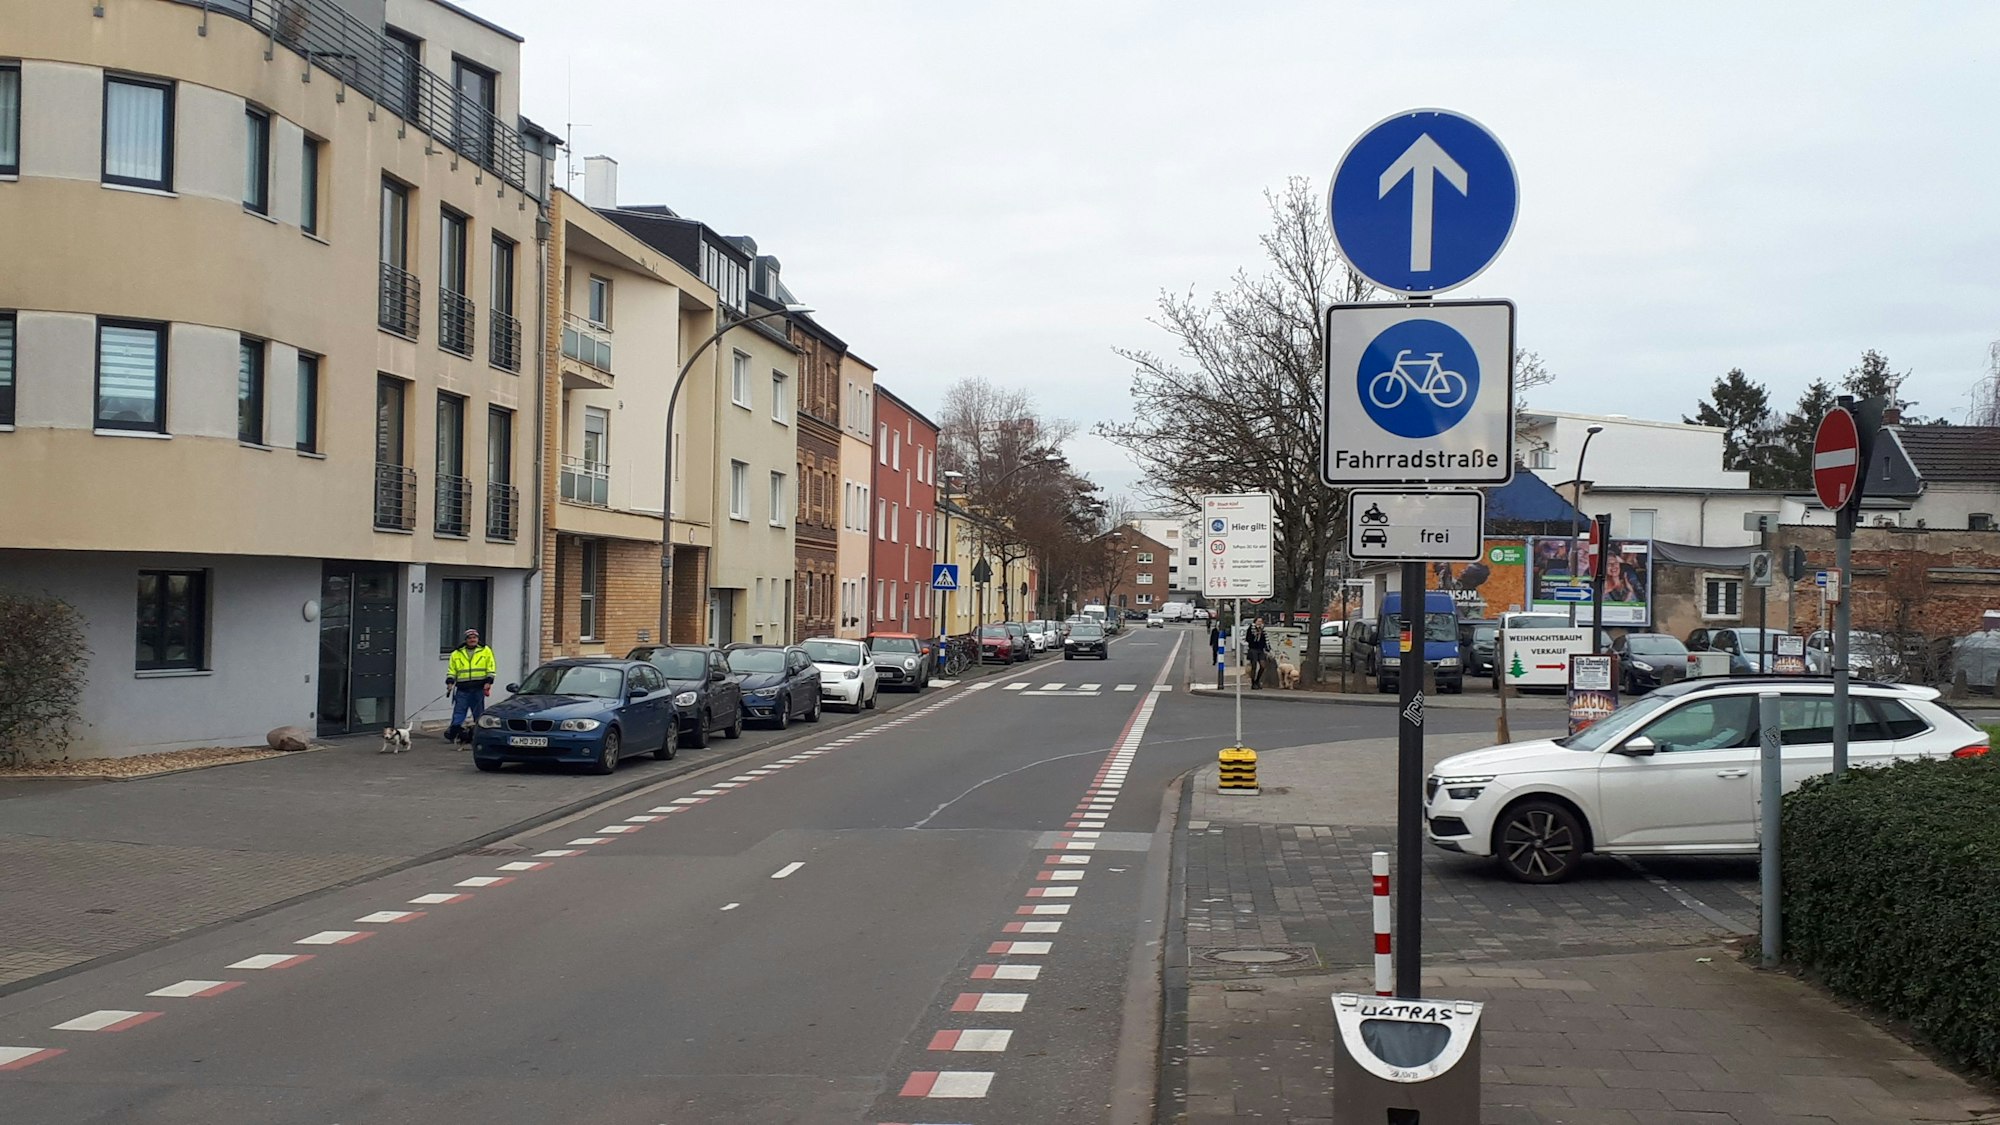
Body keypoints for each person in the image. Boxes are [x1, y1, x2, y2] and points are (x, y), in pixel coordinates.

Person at [445, 628, 497, 746]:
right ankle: (455, 734)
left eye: (474, 638)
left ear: (478, 639)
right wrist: (450, 682)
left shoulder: (485, 651)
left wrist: (489, 681)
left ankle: (478, 734)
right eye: (470, 638)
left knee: (478, 713)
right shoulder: (456, 653)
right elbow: (452, 670)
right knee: (459, 713)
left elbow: (491, 667)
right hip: (462, 688)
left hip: (478, 688)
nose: (472, 640)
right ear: (466, 640)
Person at [1246, 620, 1270, 689]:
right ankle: (1253, 683)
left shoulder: (1263, 630)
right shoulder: (1251, 629)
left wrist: (1267, 648)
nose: (1259, 623)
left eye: (1261, 621)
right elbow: (1248, 639)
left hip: (1260, 649)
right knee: (1254, 666)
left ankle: (1257, 680)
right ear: (1255, 622)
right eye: (1258, 621)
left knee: (1263, 666)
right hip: (1253, 649)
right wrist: (1256, 634)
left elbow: (1265, 640)